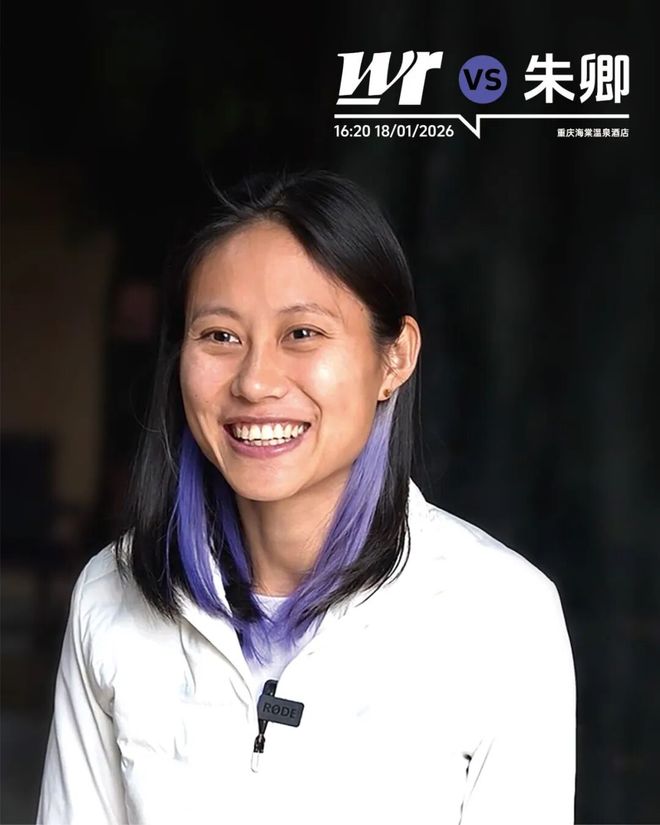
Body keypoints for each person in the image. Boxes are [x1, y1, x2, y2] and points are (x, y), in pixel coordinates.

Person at [36, 169, 576, 825]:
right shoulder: (111, 593)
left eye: (302, 333)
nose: (255, 381)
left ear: (395, 357)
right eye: (220, 336)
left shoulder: (503, 615)